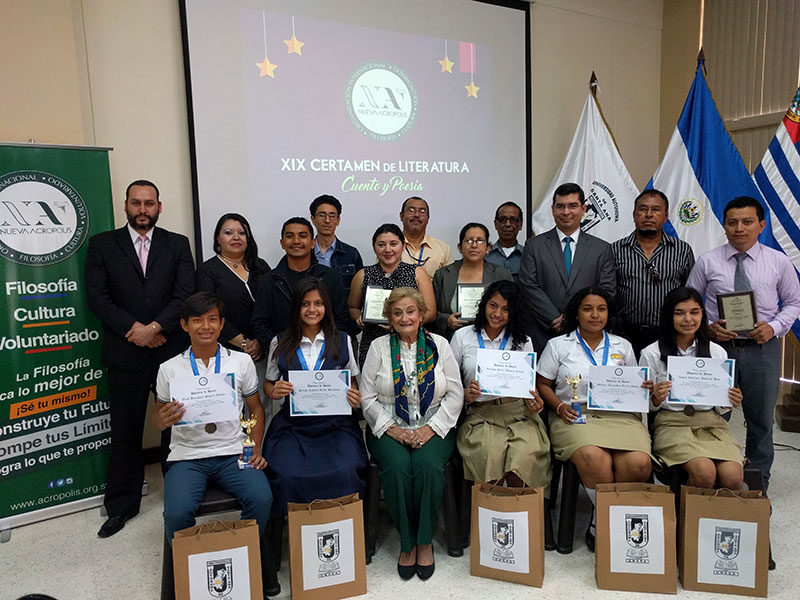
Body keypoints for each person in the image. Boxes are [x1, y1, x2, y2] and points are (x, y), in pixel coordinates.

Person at [84, 179, 195, 538]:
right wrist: (137, 329)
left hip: (170, 349)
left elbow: (185, 294)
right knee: (126, 431)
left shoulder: (177, 244)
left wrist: (157, 327)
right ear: (126, 205)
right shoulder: (102, 245)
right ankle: (121, 506)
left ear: (159, 207)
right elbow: (97, 299)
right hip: (124, 349)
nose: (143, 209)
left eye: (149, 203)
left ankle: (180, 497)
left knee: (176, 427)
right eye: (136, 203)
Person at [150, 292, 278, 598]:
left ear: (221, 325)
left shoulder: (241, 361)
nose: (205, 326)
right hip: (187, 457)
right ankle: (190, 572)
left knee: (261, 498)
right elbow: (157, 419)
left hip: (233, 452)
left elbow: (257, 409)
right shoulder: (169, 369)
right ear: (184, 325)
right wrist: (163, 419)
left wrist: (255, 448)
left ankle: (239, 559)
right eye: (197, 320)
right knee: (177, 514)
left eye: (212, 319)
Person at [687, 196, 800, 492]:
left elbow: (793, 303)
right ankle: (710, 482)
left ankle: (757, 485)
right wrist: (708, 329)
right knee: (711, 417)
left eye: (747, 222)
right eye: (732, 222)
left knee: (761, 420)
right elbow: (689, 303)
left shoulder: (778, 262)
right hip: (716, 352)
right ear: (724, 226)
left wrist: (773, 327)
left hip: (761, 350)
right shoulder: (707, 261)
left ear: (761, 226)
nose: (739, 228)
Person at [536, 287, 652, 552]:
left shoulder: (623, 345)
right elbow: (542, 383)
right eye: (587, 308)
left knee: (639, 463)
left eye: (601, 309)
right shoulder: (558, 345)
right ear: (576, 313)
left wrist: (643, 388)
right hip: (575, 414)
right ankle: (609, 524)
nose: (594, 315)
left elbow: (634, 383)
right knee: (593, 457)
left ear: (608, 313)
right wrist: (559, 406)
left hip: (620, 416)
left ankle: (601, 519)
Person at [360, 287, 463, 580]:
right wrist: (393, 430)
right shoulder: (378, 348)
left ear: (421, 315)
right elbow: (367, 398)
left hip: (434, 424)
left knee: (428, 467)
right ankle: (407, 543)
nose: (405, 318)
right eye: (397, 313)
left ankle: (424, 540)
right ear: (389, 318)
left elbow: (455, 395)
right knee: (398, 468)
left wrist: (431, 429)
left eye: (410, 311)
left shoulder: (440, 345)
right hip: (388, 426)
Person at [262, 278, 367, 517]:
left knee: (347, 469)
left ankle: (342, 525)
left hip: (336, 426)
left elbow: (351, 380)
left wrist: (353, 396)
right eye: (305, 304)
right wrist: (273, 390)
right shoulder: (279, 342)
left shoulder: (342, 340)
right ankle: (298, 529)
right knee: (286, 473)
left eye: (318, 303)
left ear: (326, 307)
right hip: (293, 426)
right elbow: (268, 383)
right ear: (296, 308)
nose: (312, 310)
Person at [639, 287, 744, 489]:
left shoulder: (716, 352)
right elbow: (643, 406)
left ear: (702, 315)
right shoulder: (651, 353)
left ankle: (716, 519)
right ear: (669, 316)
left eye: (694, 312)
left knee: (733, 475)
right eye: (679, 313)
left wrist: (731, 400)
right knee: (704, 471)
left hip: (712, 424)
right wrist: (655, 399)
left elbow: (721, 407)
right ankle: (690, 520)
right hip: (672, 424)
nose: (688, 319)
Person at [451, 281, 550, 489]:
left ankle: (520, 515)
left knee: (524, 459)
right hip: (481, 415)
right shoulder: (463, 336)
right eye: (493, 305)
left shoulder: (523, 340)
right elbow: (448, 383)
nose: (497, 313)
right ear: (484, 305)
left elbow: (530, 388)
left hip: (519, 414)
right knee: (488, 455)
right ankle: (488, 516)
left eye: (506, 309)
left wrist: (535, 402)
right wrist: (465, 394)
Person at [519, 182, 616, 353]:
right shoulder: (534, 245)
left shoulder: (602, 249)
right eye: (560, 206)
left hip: (586, 333)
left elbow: (606, 290)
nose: (566, 212)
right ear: (552, 209)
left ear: (584, 208)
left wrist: (574, 318)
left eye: (572, 206)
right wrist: (556, 319)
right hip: (544, 331)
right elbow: (529, 286)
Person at [196, 213, 271, 411]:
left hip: (261, 352)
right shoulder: (208, 270)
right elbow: (209, 312)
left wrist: (260, 343)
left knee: (262, 408)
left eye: (242, 233)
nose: (236, 237)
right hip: (227, 351)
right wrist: (244, 343)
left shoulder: (260, 266)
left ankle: (260, 443)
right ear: (218, 239)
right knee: (231, 409)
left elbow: (273, 305)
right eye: (228, 232)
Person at [251, 217, 354, 354]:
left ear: (312, 243)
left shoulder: (330, 278)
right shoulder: (269, 280)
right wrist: (282, 346)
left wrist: (324, 347)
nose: (296, 241)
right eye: (289, 236)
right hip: (283, 355)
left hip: (324, 354)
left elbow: (342, 319)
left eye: (302, 236)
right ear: (282, 243)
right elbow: (259, 323)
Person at [612, 189, 694, 357]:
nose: (648, 215)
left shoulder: (682, 250)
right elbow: (609, 292)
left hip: (669, 334)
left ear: (666, 216)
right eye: (643, 209)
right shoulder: (615, 249)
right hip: (625, 334)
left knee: (665, 382)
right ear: (634, 214)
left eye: (656, 210)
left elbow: (690, 292)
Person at [349, 224, 435, 367]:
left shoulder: (417, 273)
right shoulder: (362, 275)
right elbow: (352, 307)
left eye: (393, 244)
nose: (387, 249)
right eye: (381, 245)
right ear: (374, 248)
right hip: (372, 341)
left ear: (402, 246)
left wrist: (402, 324)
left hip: (410, 341)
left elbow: (431, 312)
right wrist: (358, 317)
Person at [432, 222, 512, 339]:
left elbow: (513, 308)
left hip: (493, 339)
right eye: (469, 240)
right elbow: (430, 311)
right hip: (452, 338)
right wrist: (446, 321)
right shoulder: (443, 275)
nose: (474, 245)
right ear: (460, 247)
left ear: (488, 248)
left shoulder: (502, 274)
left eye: (480, 240)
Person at [309, 194, 364, 294]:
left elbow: (360, 290)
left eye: (332, 216)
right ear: (313, 219)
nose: (327, 220)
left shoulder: (351, 254)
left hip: (342, 309)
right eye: (322, 215)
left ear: (338, 220)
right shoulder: (305, 253)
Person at [399, 196, 453, 278]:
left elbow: (449, 283)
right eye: (411, 210)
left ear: (428, 218)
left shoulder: (443, 249)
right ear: (401, 216)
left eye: (422, 211)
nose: (416, 215)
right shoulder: (389, 247)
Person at [485, 201, 525, 282]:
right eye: (502, 219)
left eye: (513, 219)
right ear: (495, 224)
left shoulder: (529, 255)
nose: (507, 224)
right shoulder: (484, 255)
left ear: (520, 224)